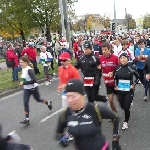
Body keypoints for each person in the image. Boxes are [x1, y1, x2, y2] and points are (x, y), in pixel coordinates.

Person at [56, 79, 121, 150]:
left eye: (73, 96)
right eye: (67, 96)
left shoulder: (95, 109)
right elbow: (58, 134)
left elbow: (115, 118)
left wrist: (115, 138)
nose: (69, 100)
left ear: (82, 95)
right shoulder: (65, 114)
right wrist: (62, 139)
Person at [19, 56, 52, 125]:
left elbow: (34, 80)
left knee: (38, 99)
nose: (20, 63)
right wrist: (23, 83)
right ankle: (27, 119)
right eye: (20, 62)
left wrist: (23, 83)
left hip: (33, 88)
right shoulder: (23, 69)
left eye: (22, 62)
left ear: (26, 62)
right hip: (27, 89)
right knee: (25, 102)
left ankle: (48, 102)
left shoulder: (29, 70)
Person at [114, 53, 139, 129]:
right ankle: (127, 104)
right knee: (122, 106)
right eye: (121, 58)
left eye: (124, 58)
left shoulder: (131, 68)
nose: (122, 60)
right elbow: (115, 78)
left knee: (126, 107)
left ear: (128, 59)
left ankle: (126, 121)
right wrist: (116, 86)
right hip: (120, 90)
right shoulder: (117, 68)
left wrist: (134, 84)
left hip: (129, 90)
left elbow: (138, 77)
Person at [100, 42, 119, 113]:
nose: (104, 51)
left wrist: (113, 72)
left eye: (105, 50)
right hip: (107, 83)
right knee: (110, 100)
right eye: (102, 50)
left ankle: (126, 104)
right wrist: (99, 67)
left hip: (115, 82)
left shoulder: (115, 58)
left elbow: (119, 68)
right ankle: (114, 113)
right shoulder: (101, 58)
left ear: (109, 49)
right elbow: (100, 67)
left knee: (119, 99)